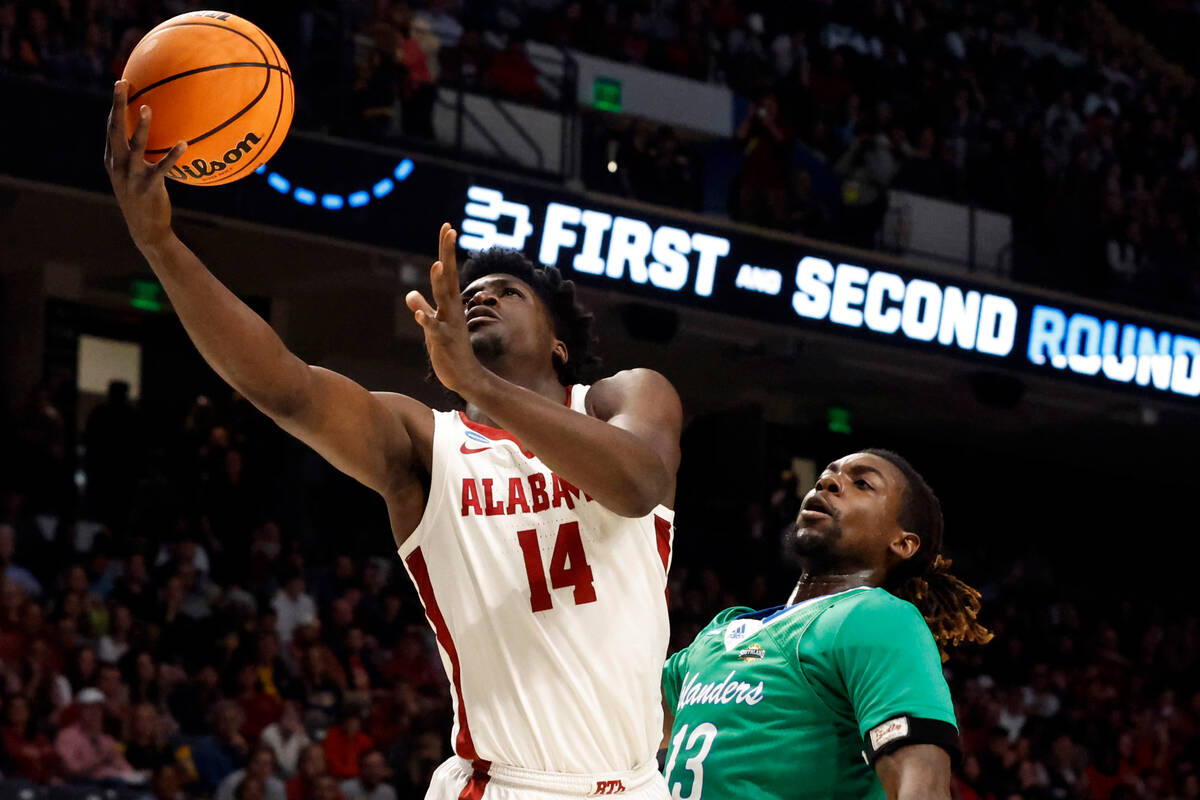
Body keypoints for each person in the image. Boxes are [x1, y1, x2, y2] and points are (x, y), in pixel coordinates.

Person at [106, 77, 682, 800]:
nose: (482, 296)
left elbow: (638, 487)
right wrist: (159, 244)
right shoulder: (425, 442)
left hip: (639, 785)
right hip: (504, 786)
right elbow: (283, 386)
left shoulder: (626, 397)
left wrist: (482, 385)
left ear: (560, 343)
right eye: (471, 293)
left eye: (508, 292)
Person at [661, 450, 993, 799]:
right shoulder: (720, 631)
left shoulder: (876, 617)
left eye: (861, 483)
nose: (827, 482)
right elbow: (621, 724)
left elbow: (919, 782)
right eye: (826, 476)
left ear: (902, 542)